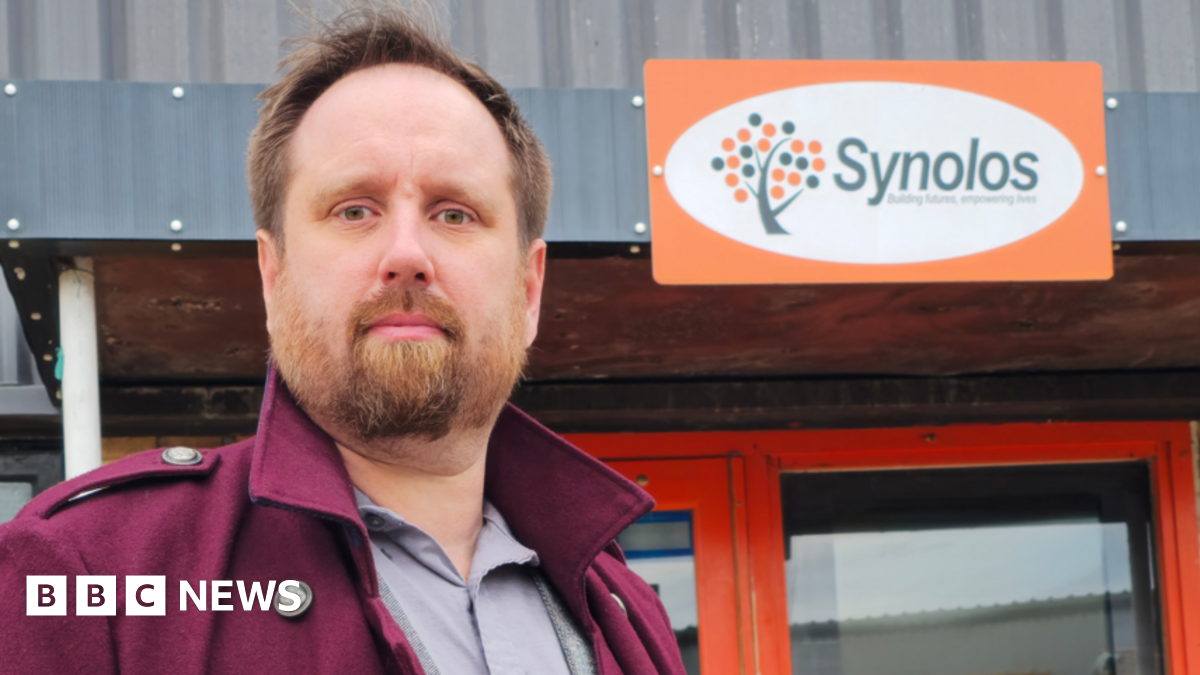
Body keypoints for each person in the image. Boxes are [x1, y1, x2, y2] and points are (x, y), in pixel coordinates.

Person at [0, 4, 685, 674]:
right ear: (272, 275)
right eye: (354, 209)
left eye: (455, 212)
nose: (407, 253)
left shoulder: (627, 612)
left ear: (530, 289)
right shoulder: (91, 574)